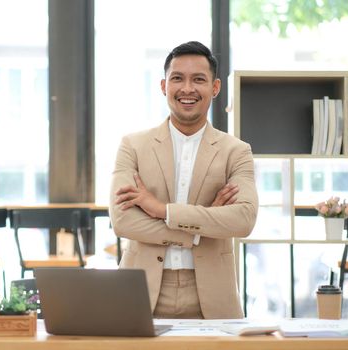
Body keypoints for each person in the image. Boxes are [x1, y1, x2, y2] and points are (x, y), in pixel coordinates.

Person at [109, 41, 258, 319]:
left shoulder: (236, 151)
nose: (187, 88)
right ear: (164, 86)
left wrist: (161, 210)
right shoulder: (133, 146)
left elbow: (244, 219)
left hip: (212, 295)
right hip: (140, 290)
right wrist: (202, 227)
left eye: (198, 79)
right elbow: (122, 220)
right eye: (177, 78)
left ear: (214, 88)